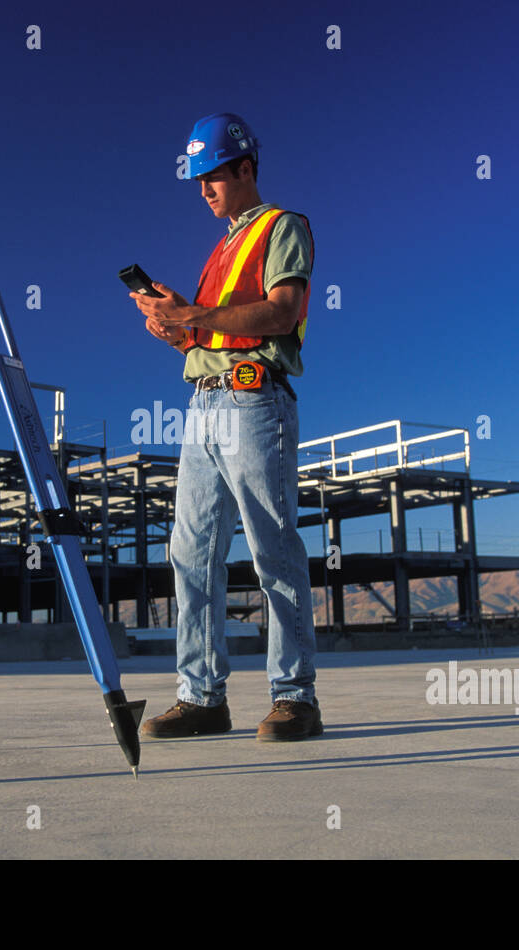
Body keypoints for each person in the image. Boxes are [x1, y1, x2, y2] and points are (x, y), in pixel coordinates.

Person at [129, 112, 320, 741]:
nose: (204, 188)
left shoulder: (281, 227)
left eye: (212, 175)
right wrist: (175, 329)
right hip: (203, 404)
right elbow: (205, 342)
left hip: (253, 401)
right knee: (190, 553)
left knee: (272, 548)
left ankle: (295, 697)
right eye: (197, 179)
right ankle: (202, 696)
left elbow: (282, 313)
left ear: (245, 168)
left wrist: (196, 313)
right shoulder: (219, 251)